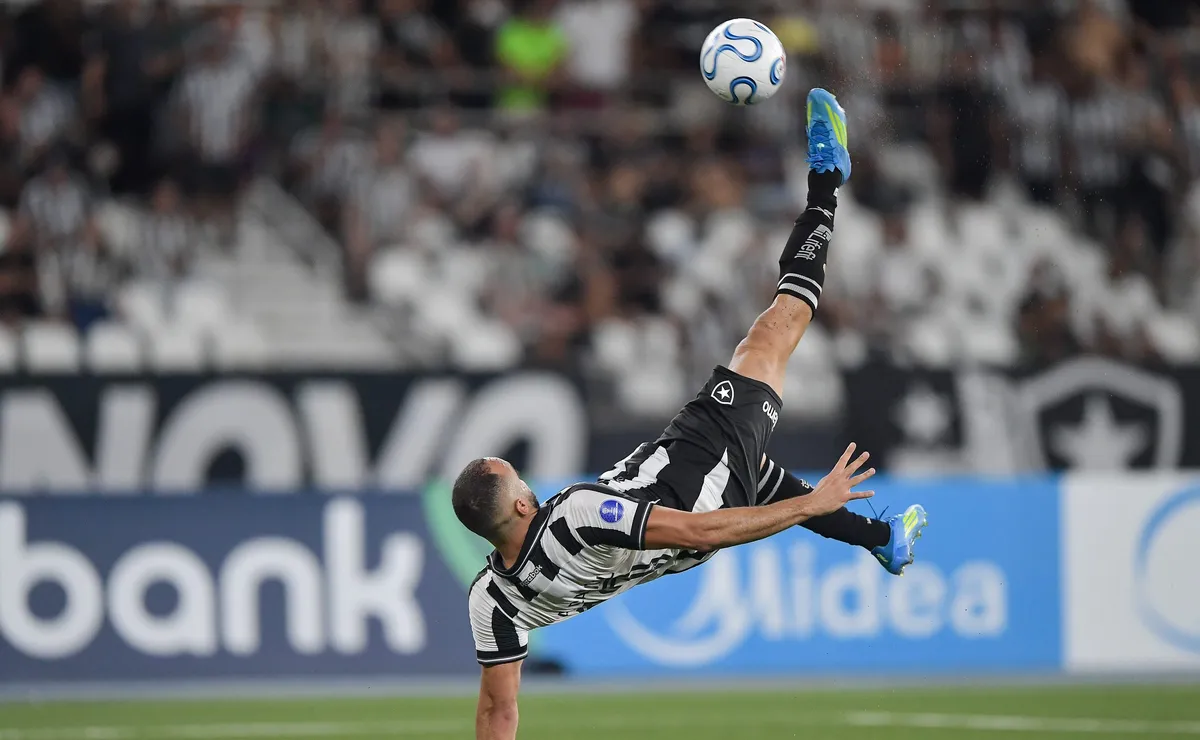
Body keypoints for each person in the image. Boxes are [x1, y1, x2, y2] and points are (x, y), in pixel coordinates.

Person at [451, 89, 928, 740]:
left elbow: (498, 711)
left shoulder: (492, 601)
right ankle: (825, 186)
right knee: (772, 333)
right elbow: (700, 532)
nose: (530, 482)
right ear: (523, 507)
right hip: (697, 472)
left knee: (765, 473)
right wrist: (811, 506)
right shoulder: (576, 518)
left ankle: (884, 540)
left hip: (680, 485)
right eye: (518, 480)